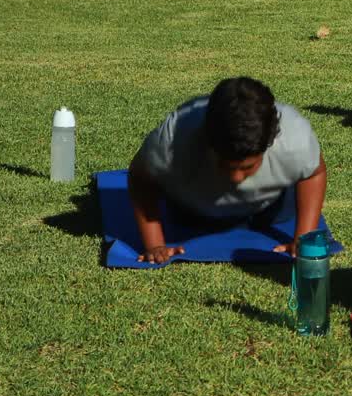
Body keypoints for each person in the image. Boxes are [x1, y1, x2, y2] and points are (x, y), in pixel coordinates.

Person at [128, 77, 327, 263]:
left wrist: (303, 239)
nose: (236, 178)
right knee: (185, 219)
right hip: (194, 212)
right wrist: (155, 244)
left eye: (248, 167)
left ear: (269, 144)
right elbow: (140, 177)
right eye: (226, 165)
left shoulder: (294, 139)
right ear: (207, 140)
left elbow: (314, 173)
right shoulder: (173, 140)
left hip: (271, 210)